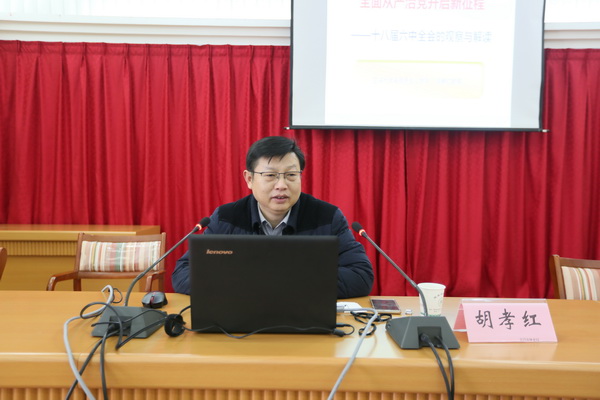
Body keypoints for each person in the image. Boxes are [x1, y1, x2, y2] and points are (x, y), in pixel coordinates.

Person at [172, 136, 374, 298]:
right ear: (249, 179)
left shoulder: (327, 217)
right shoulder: (226, 217)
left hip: (303, 319)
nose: (281, 185)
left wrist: (280, 283)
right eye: (270, 175)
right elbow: (183, 273)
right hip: (241, 319)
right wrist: (251, 285)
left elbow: (361, 276)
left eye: (291, 175)